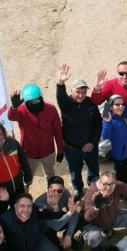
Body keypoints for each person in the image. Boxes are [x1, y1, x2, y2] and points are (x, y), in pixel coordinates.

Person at [3, 192, 68, 251]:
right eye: (22, 206)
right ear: (15, 206)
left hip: (37, 242)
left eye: (29, 206)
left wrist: (55, 206)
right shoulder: (5, 219)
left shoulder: (35, 210)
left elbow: (52, 215)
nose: (26, 210)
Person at [55, 67, 101, 195]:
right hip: (72, 148)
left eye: (83, 92)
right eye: (78, 92)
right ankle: (77, 188)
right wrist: (60, 83)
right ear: (71, 91)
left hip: (90, 147)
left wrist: (92, 143)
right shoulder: (66, 103)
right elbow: (60, 95)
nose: (81, 95)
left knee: (93, 169)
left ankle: (93, 188)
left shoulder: (91, 103)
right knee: (75, 171)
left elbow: (98, 125)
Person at [8, 83, 63, 187]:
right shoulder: (22, 111)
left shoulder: (51, 109)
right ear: (26, 102)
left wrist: (60, 150)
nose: (36, 103)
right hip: (28, 155)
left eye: (38, 100)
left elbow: (58, 131)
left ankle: (50, 200)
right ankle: (23, 201)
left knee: (50, 176)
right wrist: (14, 107)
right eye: (32, 102)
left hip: (48, 153)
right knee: (26, 181)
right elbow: (11, 117)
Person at [80, 170, 127, 251]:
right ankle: (96, 248)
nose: (109, 188)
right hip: (93, 223)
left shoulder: (118, 186)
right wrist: (96, 207)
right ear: (100, 182)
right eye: (105, 184)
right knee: (94, 239)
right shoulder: (91, 194)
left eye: (112, 184)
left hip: (112, 216)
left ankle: (108, 228)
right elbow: (87, 217)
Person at [34, 175, 81, 250]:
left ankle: (67, 237)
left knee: (78, 220)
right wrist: (69, 213)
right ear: (47, 190)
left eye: (59, 191)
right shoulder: (40, 204)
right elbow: (55, 226)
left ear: (63, 188)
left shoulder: (65, 193)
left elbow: (74, 215)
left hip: (57, 217)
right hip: (46, 229)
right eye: (53, 191)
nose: (56, 194)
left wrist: (68, 235)